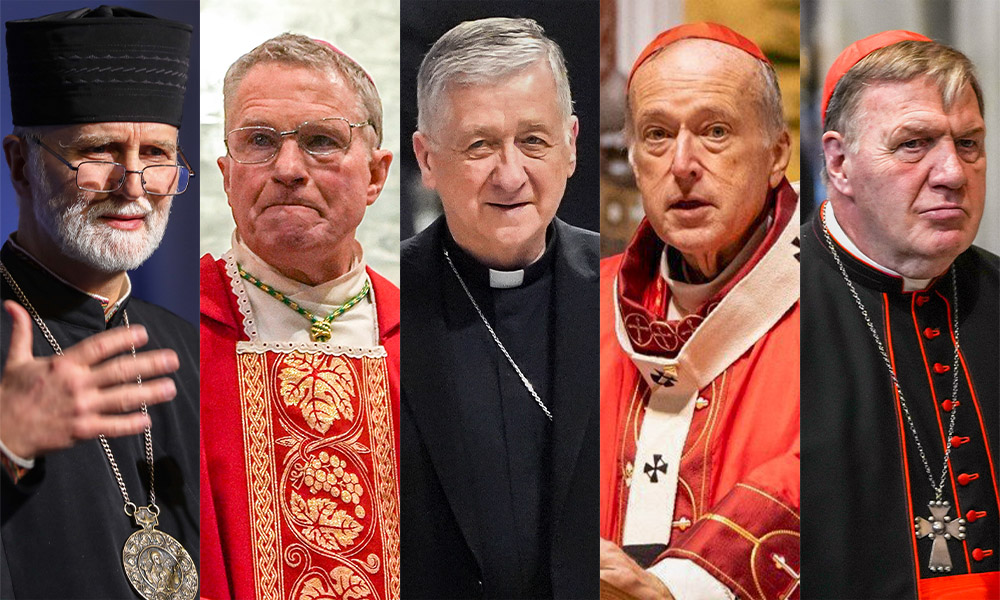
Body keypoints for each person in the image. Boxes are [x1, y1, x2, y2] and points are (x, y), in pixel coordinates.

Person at [0, 5, 199, 598]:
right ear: (20, 164)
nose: (133, 186)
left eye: (158, 156)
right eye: (101, 152)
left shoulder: (189, 347)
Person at [599, 23, 800, 600]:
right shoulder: (585, 308)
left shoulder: (846, 308)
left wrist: (683, 588)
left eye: (715, 131)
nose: (683, 163)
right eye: (657, 135)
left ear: (776, 153)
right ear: (635, 162)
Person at [401, 17, 599, 599]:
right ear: (428, 159)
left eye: (533, 141)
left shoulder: (624, 290)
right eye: (479, 145)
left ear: (570, 146)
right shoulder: (381, 303)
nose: (510, 175)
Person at [198, 33, 400, 600]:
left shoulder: (431, 336)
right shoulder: (160, 334)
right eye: (260, 141)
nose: (288, 168)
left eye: (320, 140)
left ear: (377, 175)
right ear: (227, 174)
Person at [801, 31, 998, 599]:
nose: (952, 174)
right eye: (914, 144)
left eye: (968, 144)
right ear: (838, 163)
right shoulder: (777, 307)